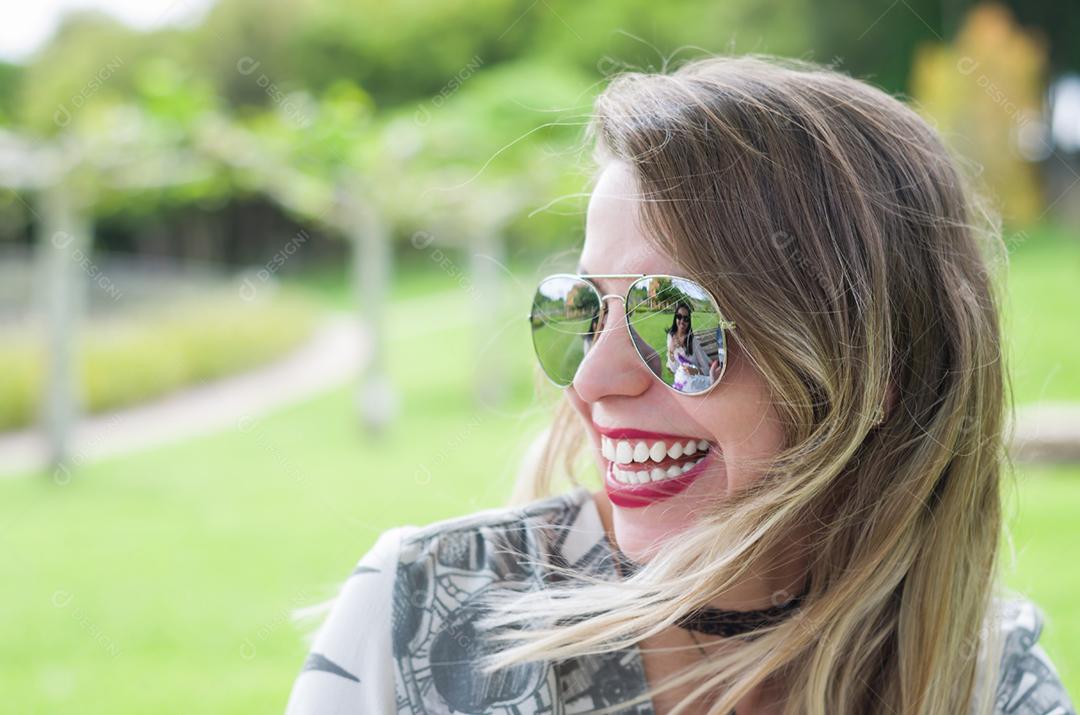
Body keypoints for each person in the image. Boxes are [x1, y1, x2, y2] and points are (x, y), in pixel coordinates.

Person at [283, 55, 1075, 714]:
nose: (592, 381)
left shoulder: (990, 685)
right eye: (582, 308)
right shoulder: (420, 613)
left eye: (678, 319)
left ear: (876, 373)